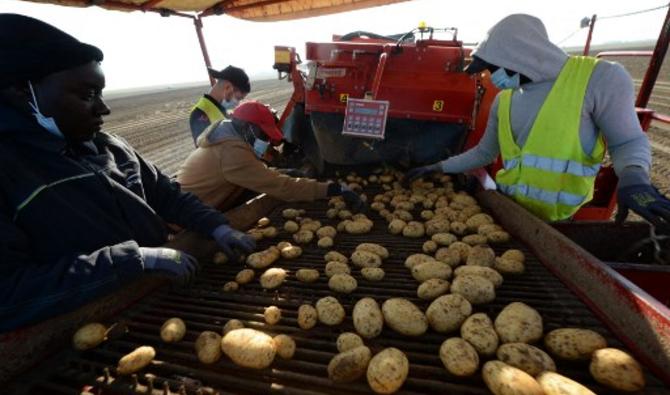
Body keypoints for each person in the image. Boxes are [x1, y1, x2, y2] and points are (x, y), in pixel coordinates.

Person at [0, 14, 256, 332]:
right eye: (87, 95)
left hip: (158, 297)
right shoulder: (10, 171)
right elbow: (8, 293)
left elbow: (165, 193)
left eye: (102, 93)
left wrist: (217, 227)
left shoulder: (108, 145)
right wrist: (134, 260)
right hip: (84, 334)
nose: (104, 109)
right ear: (22, 93)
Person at [406, 14, 670, 231]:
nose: (490, 78)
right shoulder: (505, 100)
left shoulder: (599, 78)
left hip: (565, 221)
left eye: (490, 69)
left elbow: (627, 141)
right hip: (510, 214)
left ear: (516, 58)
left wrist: (635, 177)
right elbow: (485, 153)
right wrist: (439, 166)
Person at [177, 100, 366, 211]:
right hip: (187, 219)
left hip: (199, 206)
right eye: (263, 135)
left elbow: (246, 173)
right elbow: (282, 187)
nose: (266, 141)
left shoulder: (227, 139)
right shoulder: (231, 151)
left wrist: (280, 171)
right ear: (246, 127)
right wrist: (334, 190)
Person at [190, 65, 250, 144]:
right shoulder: (200, 113)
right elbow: (205, 149)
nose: (237, 104)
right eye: (238, 98)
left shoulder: (222, 109)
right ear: (228, 87)